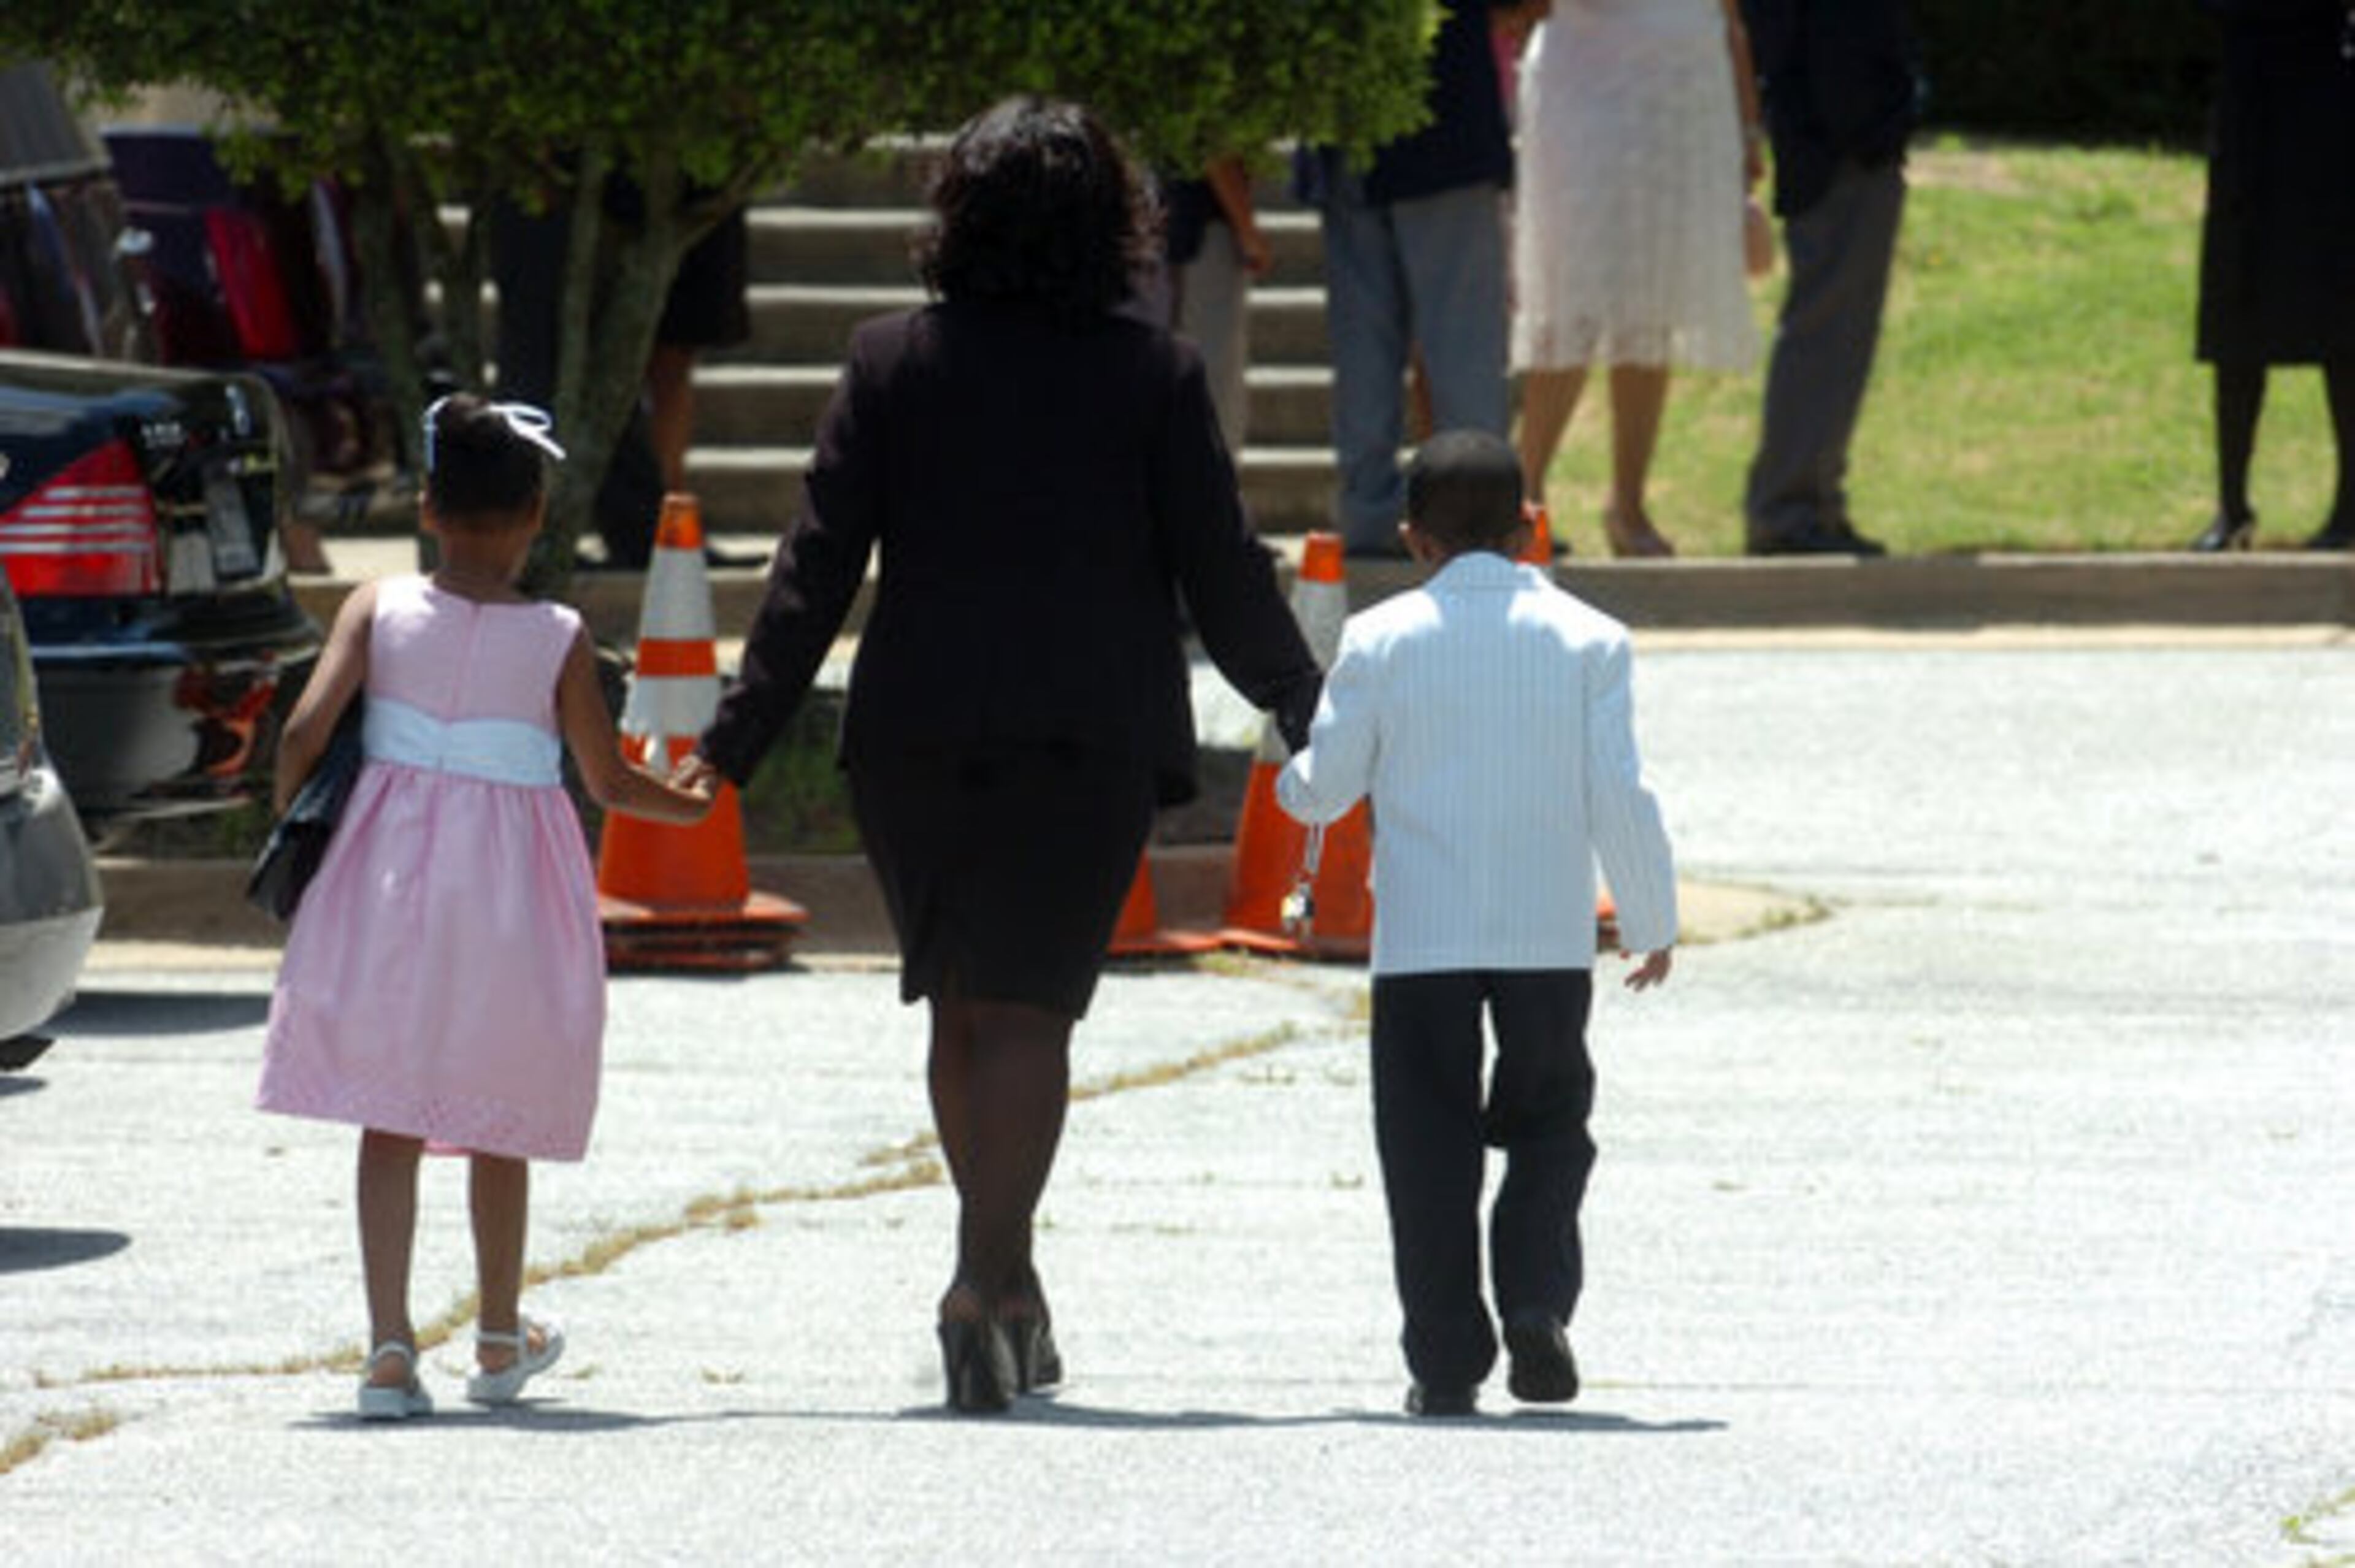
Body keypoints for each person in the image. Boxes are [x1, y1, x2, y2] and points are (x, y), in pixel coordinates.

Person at [676, 98, 1325, 1415]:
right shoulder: (1155, 374)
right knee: (1031, 1012)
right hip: (1082, 735)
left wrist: (728, 747)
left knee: (962, 1004)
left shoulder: (890, 360)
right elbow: (1223, 571)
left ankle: (1002, 1285)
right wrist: (1313, 708)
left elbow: (813, 576)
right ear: (1113, 229)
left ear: (956, 220)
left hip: (916, 735)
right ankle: (987, 1281)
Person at [255, 394, 715, 1420]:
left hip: (385, 882)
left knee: (392, 1111)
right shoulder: (557, 634)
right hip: (509, 892)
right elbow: (604, 779)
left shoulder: (375, 606)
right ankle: (500, 1338)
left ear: (426, 505)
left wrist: (300, 828)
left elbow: (303, 731)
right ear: (537, 512)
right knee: (495, 1107)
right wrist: (686, 803)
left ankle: (386, 1348)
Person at [1274, 429, 1677, 1418]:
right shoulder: (1592, 639)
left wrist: (1290, 779)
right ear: (1530, 529)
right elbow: (1620, 789)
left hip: (1422, 940)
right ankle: (1537, 1300)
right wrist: (1650, 915)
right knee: (1549, 1126)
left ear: (1412, 539)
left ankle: (1448, 1358)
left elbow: (1325, 790)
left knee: (1426, 1145)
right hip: (1547, 934)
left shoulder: (1379, 638)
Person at [1298, 0, 1550, 559]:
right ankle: (1478, 520)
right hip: (1445, 120)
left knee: (1364, 342)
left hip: (1347, 119)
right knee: (1461, 345)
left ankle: (1368, 513)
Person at [1512, 0, 1765, 557]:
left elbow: (1729, 17)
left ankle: (1628, 506)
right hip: (1586, 94)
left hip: (1686, 102)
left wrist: (1748, 129)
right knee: (1572, 299)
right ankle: (1523, 497)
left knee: (1653, 304)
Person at [1740, 0, 1921, 557]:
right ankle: (1788, 507)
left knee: (1843, 336)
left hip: (1843, 138)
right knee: (1826, 332)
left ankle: (1815, 500)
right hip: (1837, 146)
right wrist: (1872, 127)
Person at [492, 183, 752, 568]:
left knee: (663, 354)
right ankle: (529, 533)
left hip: (680, 175)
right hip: (553, 178)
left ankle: (659, 530)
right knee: (544, 357)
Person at [2186, 0, 2355, 553]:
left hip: (2329, 97)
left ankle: (2350, 505)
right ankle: (2232, 505)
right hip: (2248, 100)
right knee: (2235, 308)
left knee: (2339, 314)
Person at [1164, 156, 1275, 453]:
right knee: (1210, 389)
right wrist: (1247, 228)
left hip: (1179, 227)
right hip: (1195, 231)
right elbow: (1214, 146)